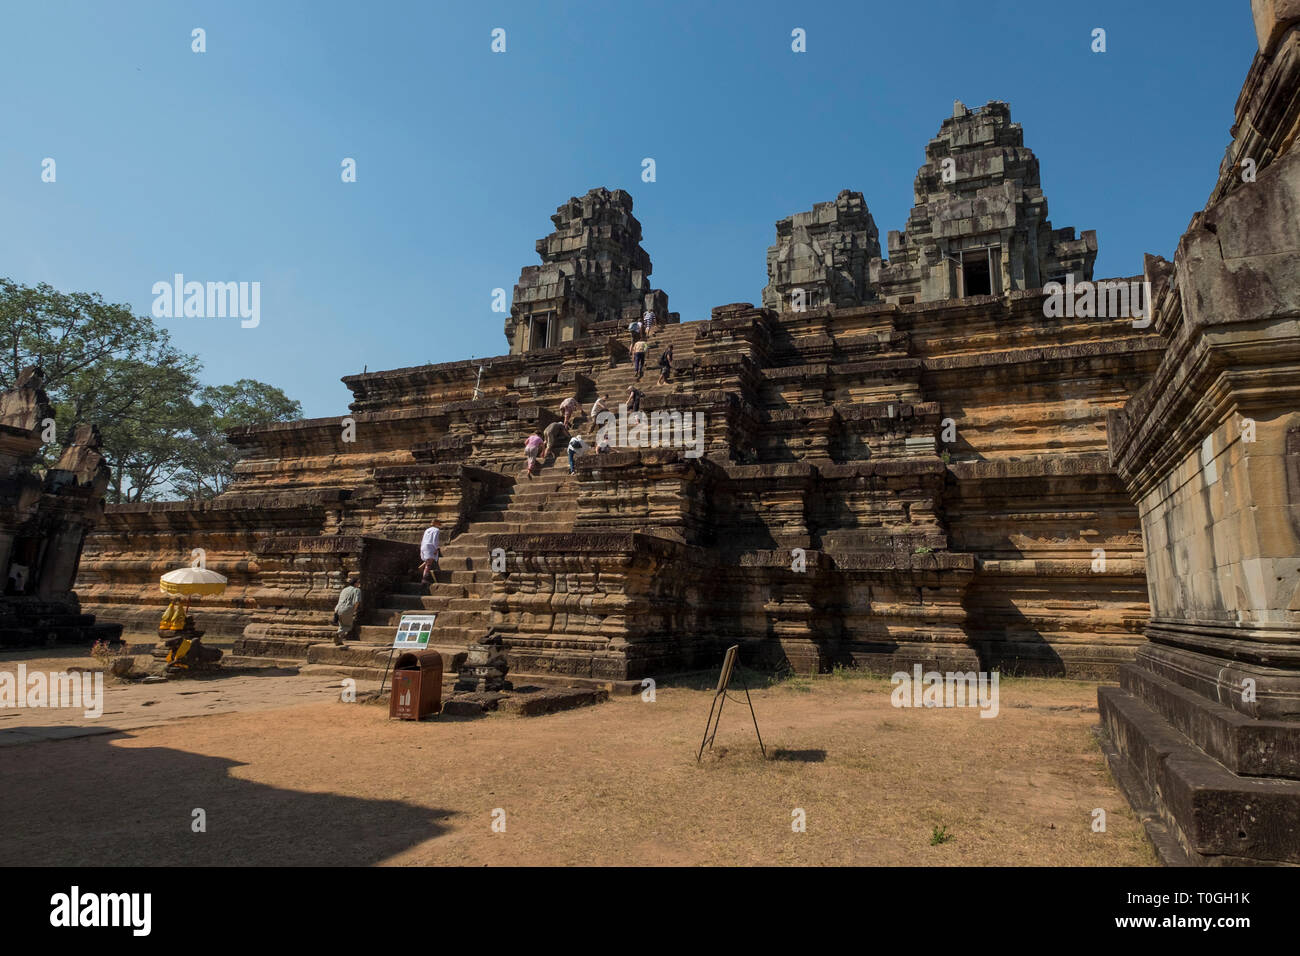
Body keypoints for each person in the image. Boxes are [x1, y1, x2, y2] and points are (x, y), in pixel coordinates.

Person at [332, 575, 362, 646]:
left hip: (337, 609)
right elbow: (357, 602)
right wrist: (354, 610)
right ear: (355, 583)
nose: (359, 584)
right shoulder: (357, 590)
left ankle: (339, 641)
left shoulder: (344, 589)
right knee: (348, 626)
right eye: (358, 582)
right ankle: (337, 634)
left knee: (342, 625)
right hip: (347, 609)